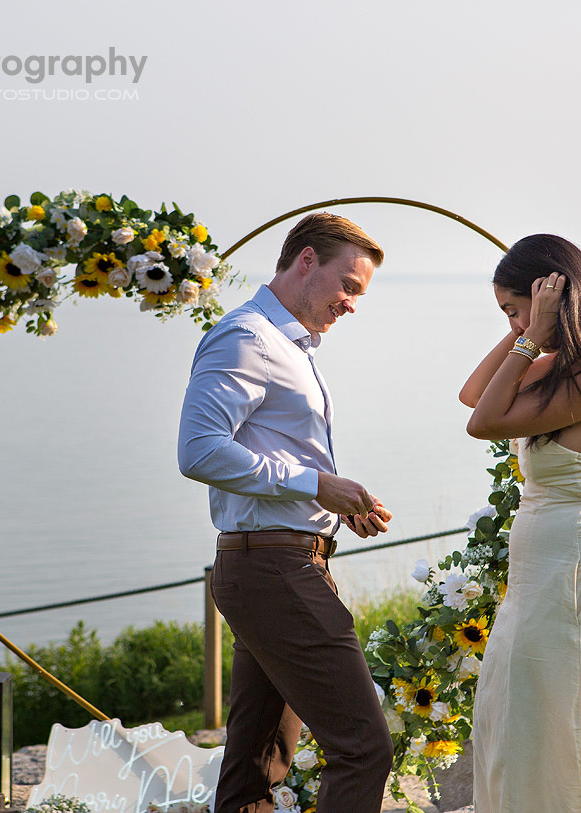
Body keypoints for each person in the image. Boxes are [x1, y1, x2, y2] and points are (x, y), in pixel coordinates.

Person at [177, 213, 395, 813]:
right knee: (363, 749)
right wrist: (315, 485)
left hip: (276, 565)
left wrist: (332, 501)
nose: (351, 304)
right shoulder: (247, 337)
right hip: (274, 572)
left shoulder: (289, 346)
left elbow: (275, 455)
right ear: (306, 260)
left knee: (258, 761)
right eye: (348, 285)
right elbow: (199, 451)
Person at [460, 234, 581, 812]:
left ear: (554, 298)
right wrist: (527, 328)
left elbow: (483, 423)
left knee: (566, 723)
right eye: (506, 315)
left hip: (577, 570)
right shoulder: (565, 363)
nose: (514, 325)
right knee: (525, 717)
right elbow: (474, 395)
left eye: (514, 309)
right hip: (543, 572)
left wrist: (531, 333)